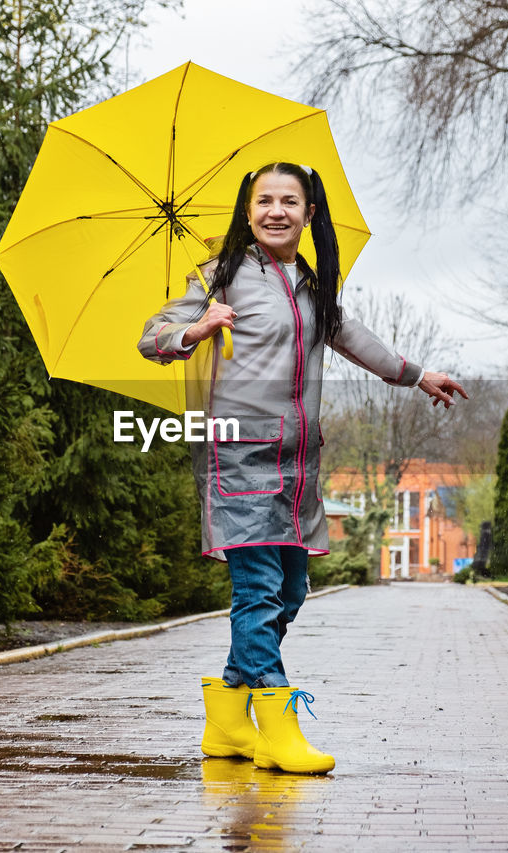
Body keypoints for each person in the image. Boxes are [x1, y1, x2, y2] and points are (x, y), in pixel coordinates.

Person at [137, 162, 467, 774]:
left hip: (296, 469)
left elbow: (355, 337)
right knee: (258, 592)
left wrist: (421, 375)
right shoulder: (220, 275)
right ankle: (279, 728)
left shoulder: (312, 287)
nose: (276, 211)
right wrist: (196, 327)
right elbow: (150, 338)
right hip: (237, 457)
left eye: (290, 201)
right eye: (264, 200)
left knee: (289, 591)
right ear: (248, 209)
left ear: (309, 214)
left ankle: (228, 719)